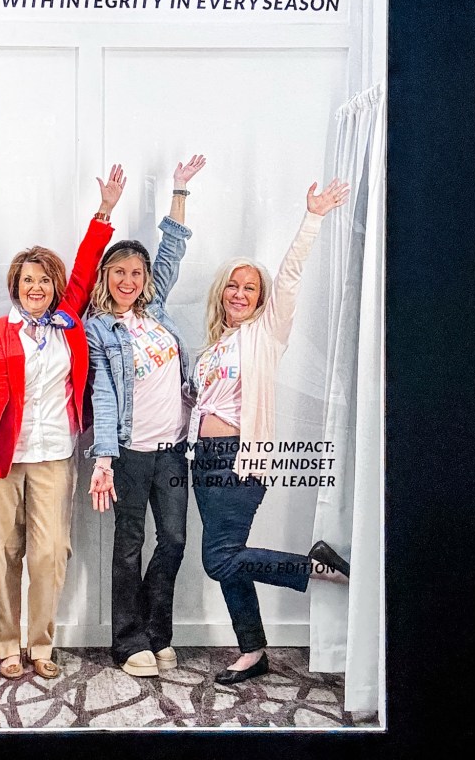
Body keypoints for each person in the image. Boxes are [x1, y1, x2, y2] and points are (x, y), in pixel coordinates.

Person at [0, 165, 126, 680]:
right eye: (28, 280)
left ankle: (40, 644)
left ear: (54, 286)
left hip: (54, 455)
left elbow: (89, 267)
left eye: (45, 280)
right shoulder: (0, 331)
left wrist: (105, 211)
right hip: (1, 459)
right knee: (4, 554)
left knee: (49, 553)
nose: (37, 287)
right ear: (15, 286)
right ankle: (6, 644)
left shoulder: (69, 322)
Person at [189, 178, 352, 686]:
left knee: (219, 559)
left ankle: (317, 568)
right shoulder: (215, 346)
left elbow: (289, 278)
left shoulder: (265, 334)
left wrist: (313, 218)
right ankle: (253, 650)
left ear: (259, 300)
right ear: (223, 294)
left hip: (238, 459)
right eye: (234, 286)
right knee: (231, 561)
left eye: (249, 288)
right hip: (202, 460)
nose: (241, 294)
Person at [84, 155, 207, 677]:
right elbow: (105, 398)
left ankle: (158, 633)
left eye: (137, 272)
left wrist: (179, 189)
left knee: (175, 541)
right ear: (106, 277)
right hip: (132, 454)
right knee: (130, 547)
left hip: (174, 450)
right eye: (120, 273)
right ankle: (128, 641)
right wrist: (106, 458)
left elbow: (173, 250)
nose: (129, 280)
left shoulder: (155, 313)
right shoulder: (98, 329)